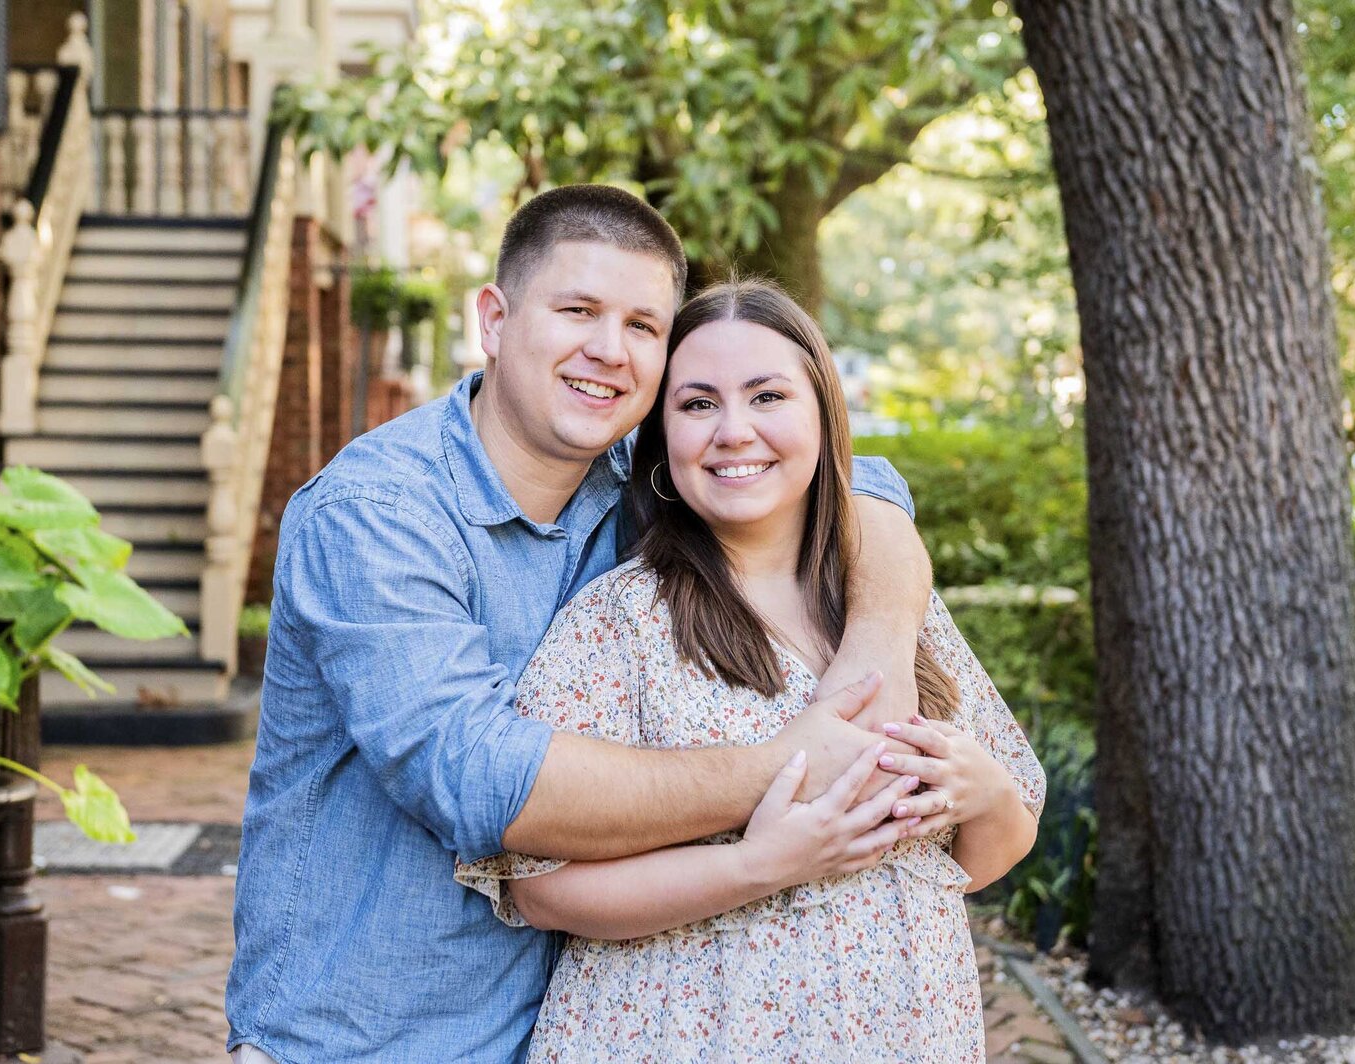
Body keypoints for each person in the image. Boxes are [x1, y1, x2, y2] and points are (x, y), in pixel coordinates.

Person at [225, 186, 953, 1064]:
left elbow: (859, 479)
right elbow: (481, 783)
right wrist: (789, 764)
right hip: (364, 1038)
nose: (608, 351)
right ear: (493, 319)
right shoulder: (378, 514)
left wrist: (877, 659)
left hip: (566, 1026)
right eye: (577, 310)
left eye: (644, 326)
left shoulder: (638, 483)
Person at [456, 279, 1046, 1062]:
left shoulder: (894, 606)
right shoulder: (617, 623)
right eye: (698, 404)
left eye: (767, 396)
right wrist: (757, 865)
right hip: (685, 1034)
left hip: (905, 1032)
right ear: (662, 441)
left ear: (823, 416)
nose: (734, 431)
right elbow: (538, 890)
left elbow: (983, 858)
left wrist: (985, 790)